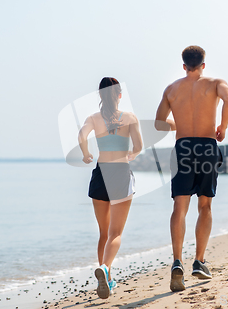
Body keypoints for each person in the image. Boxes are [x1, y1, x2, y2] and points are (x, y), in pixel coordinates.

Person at [155, 46, 228, 291]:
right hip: (207, 146)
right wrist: (223, 125)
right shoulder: (215, 83)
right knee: (205, 204)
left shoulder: (171, 89)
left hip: (183, 147)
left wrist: (177, 122)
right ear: (203, 63)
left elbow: (159, 123)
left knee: (179, 207)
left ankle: (177, 261)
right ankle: (199, 261)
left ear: (183, 65)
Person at [78, 77, 143, 299]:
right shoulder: (130, 118)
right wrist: (131, 155)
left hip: (100, 173)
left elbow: (81, 135)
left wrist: (86, 153)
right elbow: (138, 146)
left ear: (100, 95)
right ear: (119, 95)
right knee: (116, 233)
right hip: (120, 174)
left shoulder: (93, 118)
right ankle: (105, 270)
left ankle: (106, 275)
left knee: (104, 233)